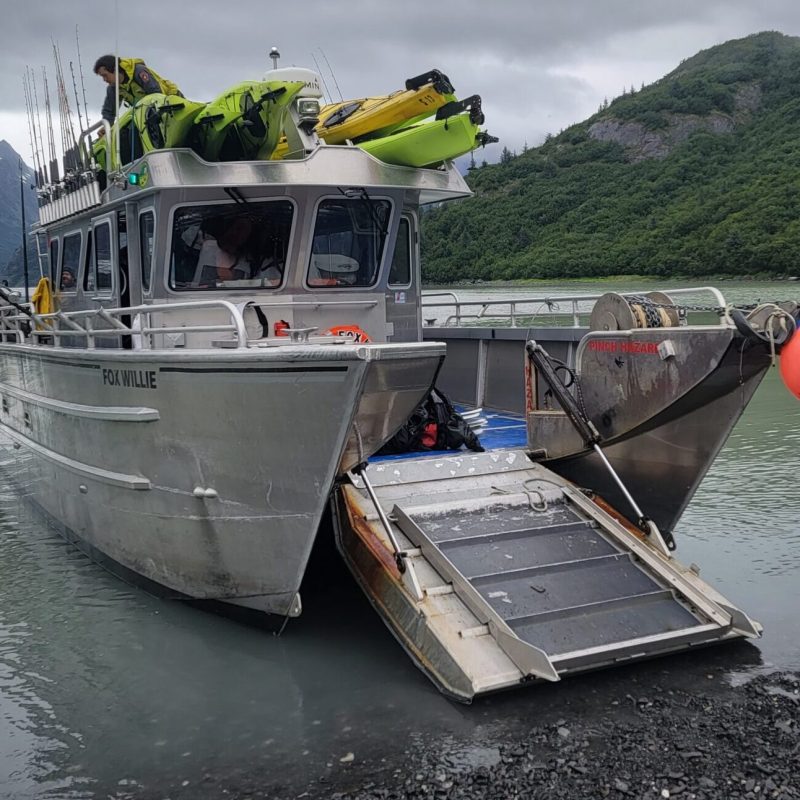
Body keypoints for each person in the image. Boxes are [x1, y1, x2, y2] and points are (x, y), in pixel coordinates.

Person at [93, 55, 182, 125]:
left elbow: (156, 94)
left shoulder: (139, 71)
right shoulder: (113, 88)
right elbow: (109, 111)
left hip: (173, 102)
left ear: (115, 69)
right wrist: (106, 127)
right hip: (148, 113)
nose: (104, 80)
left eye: (105, 75)